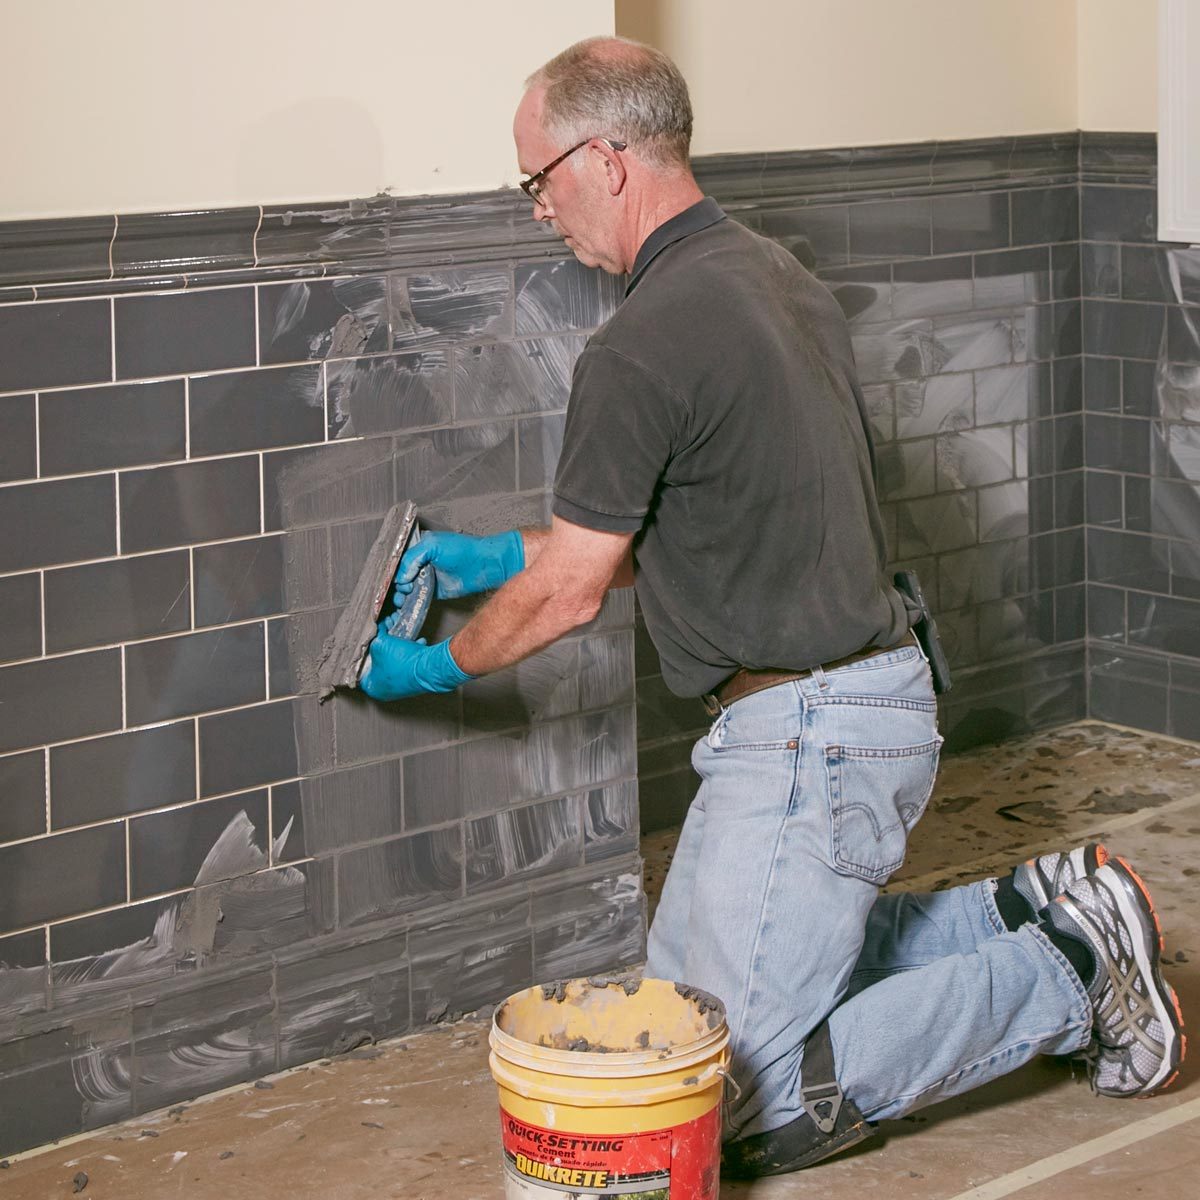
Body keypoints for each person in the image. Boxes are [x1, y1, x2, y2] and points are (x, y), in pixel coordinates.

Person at [361, 36, 1185, 1176]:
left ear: (605, 160)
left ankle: (1068, 979)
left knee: (726, 1096)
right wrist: (489, 552)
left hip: (810, 738)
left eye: (537, 181)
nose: (538, 212)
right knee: (683, 1012)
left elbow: (571, 592)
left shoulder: (638, 346)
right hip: (841, 708)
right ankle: (1031, 906)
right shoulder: (773, 276)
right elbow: (709, 526)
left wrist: (437, 667)